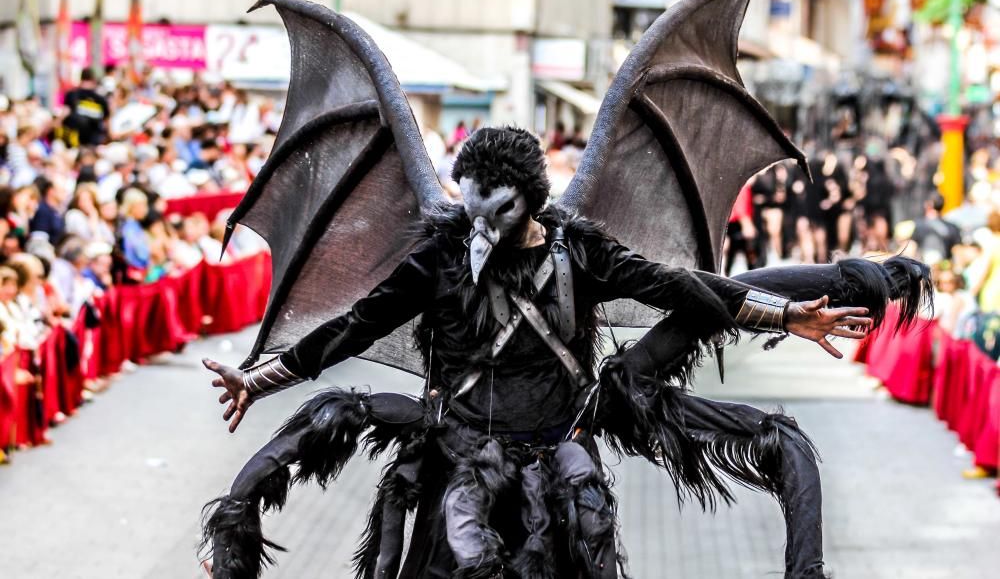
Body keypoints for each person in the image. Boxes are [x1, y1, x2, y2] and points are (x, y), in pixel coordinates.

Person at [201, 127, 930, 579]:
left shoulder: (579, 248)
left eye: (496, 210)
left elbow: (678, 286)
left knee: (776, 442)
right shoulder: (442, 254)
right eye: (470, 204)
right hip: (458, 457)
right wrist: (257, 380)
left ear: (529, 203)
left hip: (561, 457)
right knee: (332, 416)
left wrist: (784, 314)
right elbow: (354, 326)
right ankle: (231, 551)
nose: (480, 225)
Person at [61, 68, 111, 147]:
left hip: (74, 143)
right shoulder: (101, 99)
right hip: (95, 143)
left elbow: (64, 114)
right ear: (93, 80)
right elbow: (107, 122)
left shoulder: (71, 94)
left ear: (81, 79)